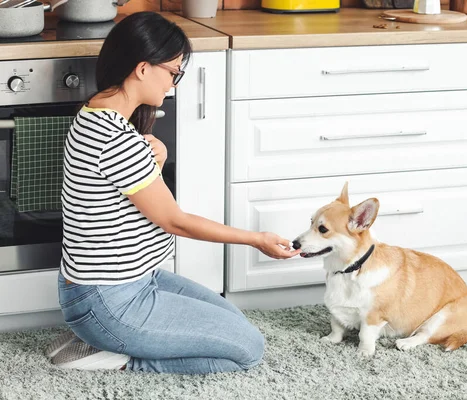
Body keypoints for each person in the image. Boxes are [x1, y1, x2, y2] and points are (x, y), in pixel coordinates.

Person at [48, 11, 300, 374]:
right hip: (111, 301)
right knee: (248, 348)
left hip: (124, 283)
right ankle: (116, 356)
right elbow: (175, 221)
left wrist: (156, 162)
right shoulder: (119, 141)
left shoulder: (92, 115)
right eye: (173, 72)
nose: (175, 84)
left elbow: (130, 197)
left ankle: (96, 335)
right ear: (143, 68)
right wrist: (255, 238)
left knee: (231, 319)